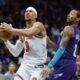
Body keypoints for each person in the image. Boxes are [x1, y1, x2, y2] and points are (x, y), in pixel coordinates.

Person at [0, 7, 56, 80]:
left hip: (38, 68)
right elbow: (15, 52)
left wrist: (11, 29)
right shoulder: (22, 33)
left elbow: (29, 33)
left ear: (35, 16)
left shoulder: (39, 25)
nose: (27, 12)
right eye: (26, 11)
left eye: (31, 11)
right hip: (25, 66)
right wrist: (5, 41)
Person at [41, 9, 80, 80]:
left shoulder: (68, 29)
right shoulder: (76, 31)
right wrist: (48, 40)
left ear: (78, 19)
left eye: (72, 14)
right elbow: (58, 48)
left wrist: (49, 66)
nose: (69, 15)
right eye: (69, 13)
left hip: (65, 63)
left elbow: (61, 50)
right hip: (69, 64)